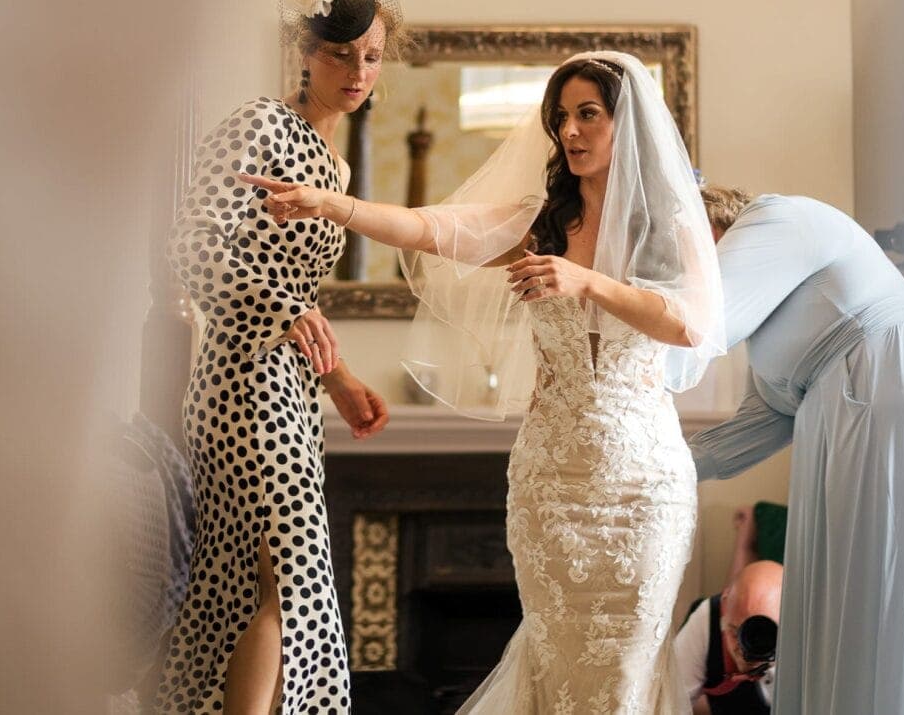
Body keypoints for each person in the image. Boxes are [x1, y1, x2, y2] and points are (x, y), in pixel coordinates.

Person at [247, 51, 726, 713]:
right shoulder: (539, 222)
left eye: (589, 114)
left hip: (643, 485)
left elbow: (692, 325)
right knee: (555, 663)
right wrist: (336, 204)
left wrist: (584, 279)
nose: (572, 131)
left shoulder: (673, 228)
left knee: (627, 668)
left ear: (628, 125)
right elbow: (429, 227)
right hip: (551, 483)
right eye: (561, 117)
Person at [153, 0, 396, 715]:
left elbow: (300, 301)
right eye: (341, 53)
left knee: (248, 578)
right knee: (283, 569)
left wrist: (338, 377)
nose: (358, 71)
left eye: (373, 56)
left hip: (286, 385)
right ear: (306, 52)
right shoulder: (259, 124)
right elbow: (191, 246)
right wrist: (283, 310)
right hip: (237, 379)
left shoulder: (334, 165)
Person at [688, 187, 904, 715]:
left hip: (882, 388)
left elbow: (691, 328)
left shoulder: (776, 217)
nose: (687, 272)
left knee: (880, 582)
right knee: (842, 600)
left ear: (717, 227)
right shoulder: (770, 337)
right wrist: (660, 467)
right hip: (833, 427)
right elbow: (761, 424)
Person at [670, 558, 783, 715]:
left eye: (761, 634)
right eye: (735, 631)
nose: (743, 648)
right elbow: (670, 703)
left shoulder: (812, 638)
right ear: (725, 603)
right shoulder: (710, 617)